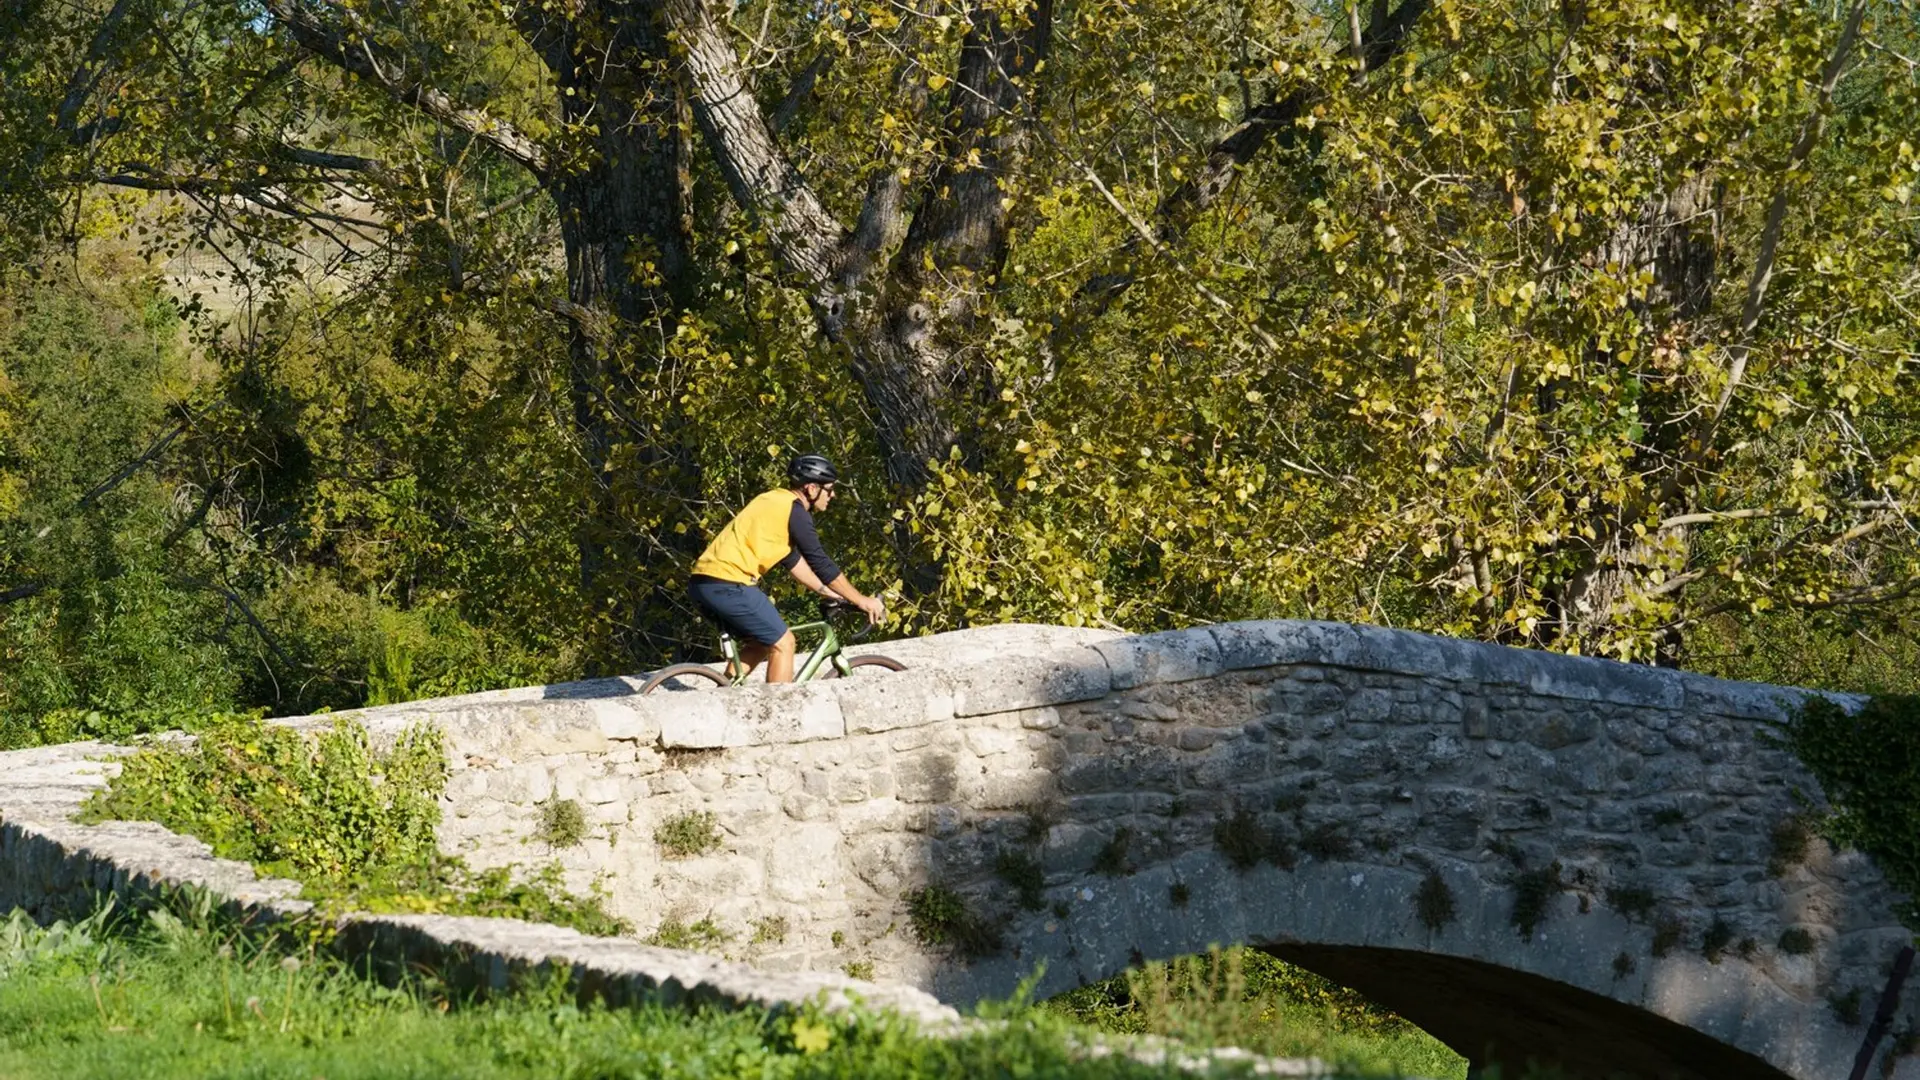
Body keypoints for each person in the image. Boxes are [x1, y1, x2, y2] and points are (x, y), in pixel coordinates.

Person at [687, 454, 885, 682]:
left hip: (703, 584)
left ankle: (726, 692)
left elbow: (793, 562)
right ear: (812, 488)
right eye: (829, 489)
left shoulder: (774, 501)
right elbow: (820, 562)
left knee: (762, 642)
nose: (833, 495)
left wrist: (831, 594)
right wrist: (862, 600)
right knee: (784, 642)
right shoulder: (795, 511)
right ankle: (779, 714)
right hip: (730, 584)